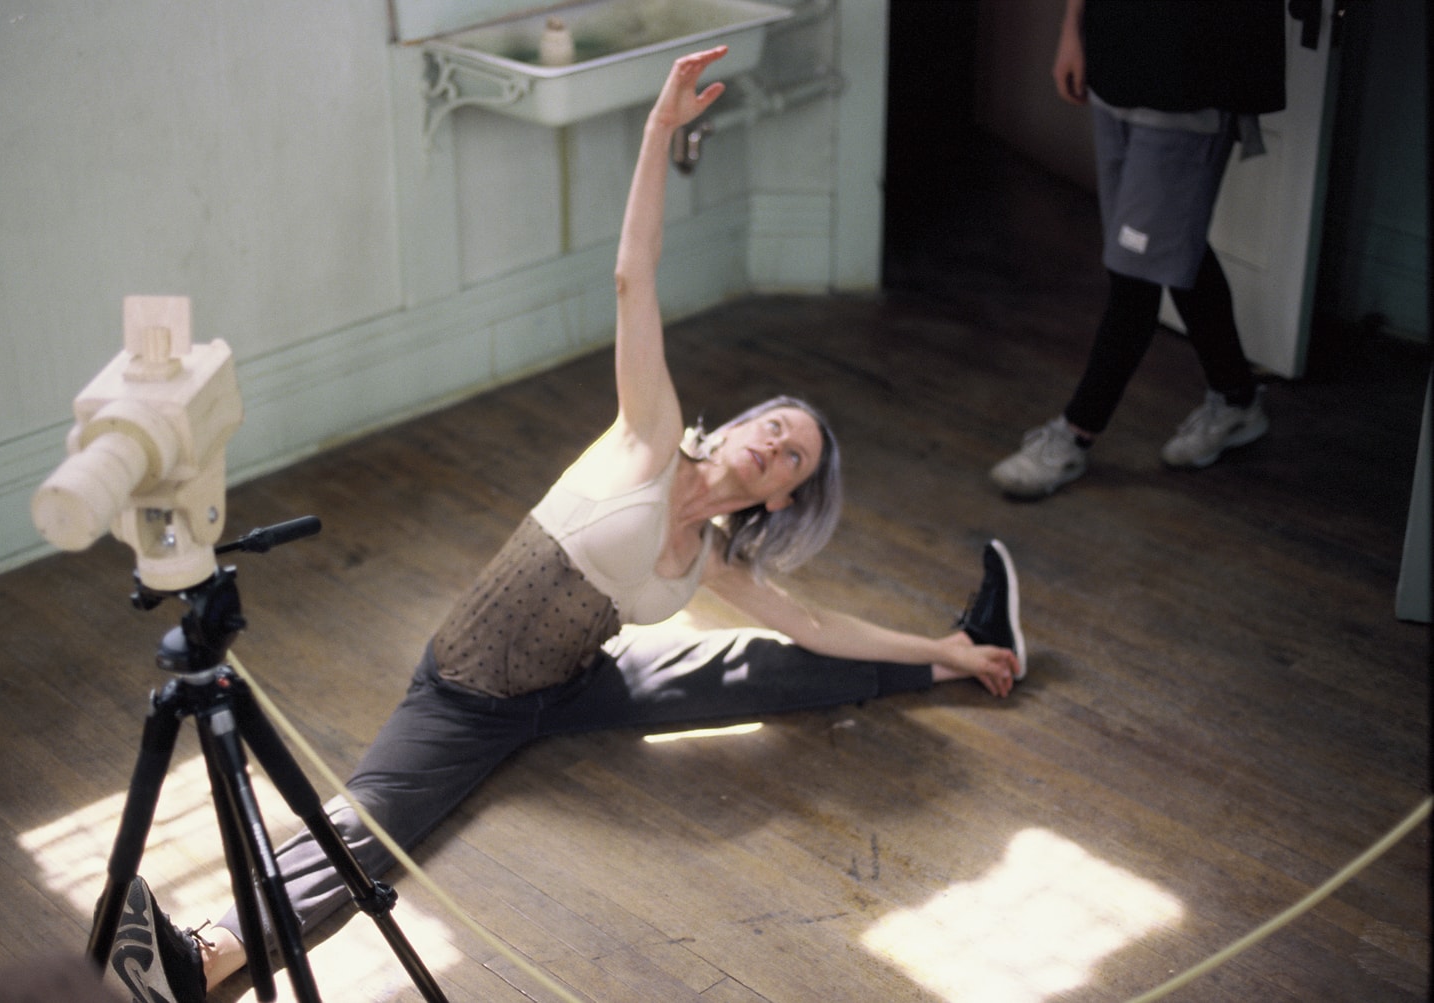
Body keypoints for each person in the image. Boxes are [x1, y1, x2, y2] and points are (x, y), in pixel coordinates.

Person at [105, 47, 1025, 1003]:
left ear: (783, 498)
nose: (774, 446)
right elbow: (634, 276)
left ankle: (961, 653)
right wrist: (658, 132)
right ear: (739, 424)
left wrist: (941, 652)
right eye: (774, 426)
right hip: (467, 695)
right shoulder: (650, 434)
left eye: (793, 457)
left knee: (769, 661)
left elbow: (821, 625)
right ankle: (202, 958)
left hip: (577, 685)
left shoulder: (711, 557)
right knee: (372, 824)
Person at [990, 0, 1286, 498]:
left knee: (1136, 276)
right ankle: (1237, 400)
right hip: (1116, 59)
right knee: (1169, 248)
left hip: (1190, 79)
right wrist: (1072, 28)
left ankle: (1075, 434)